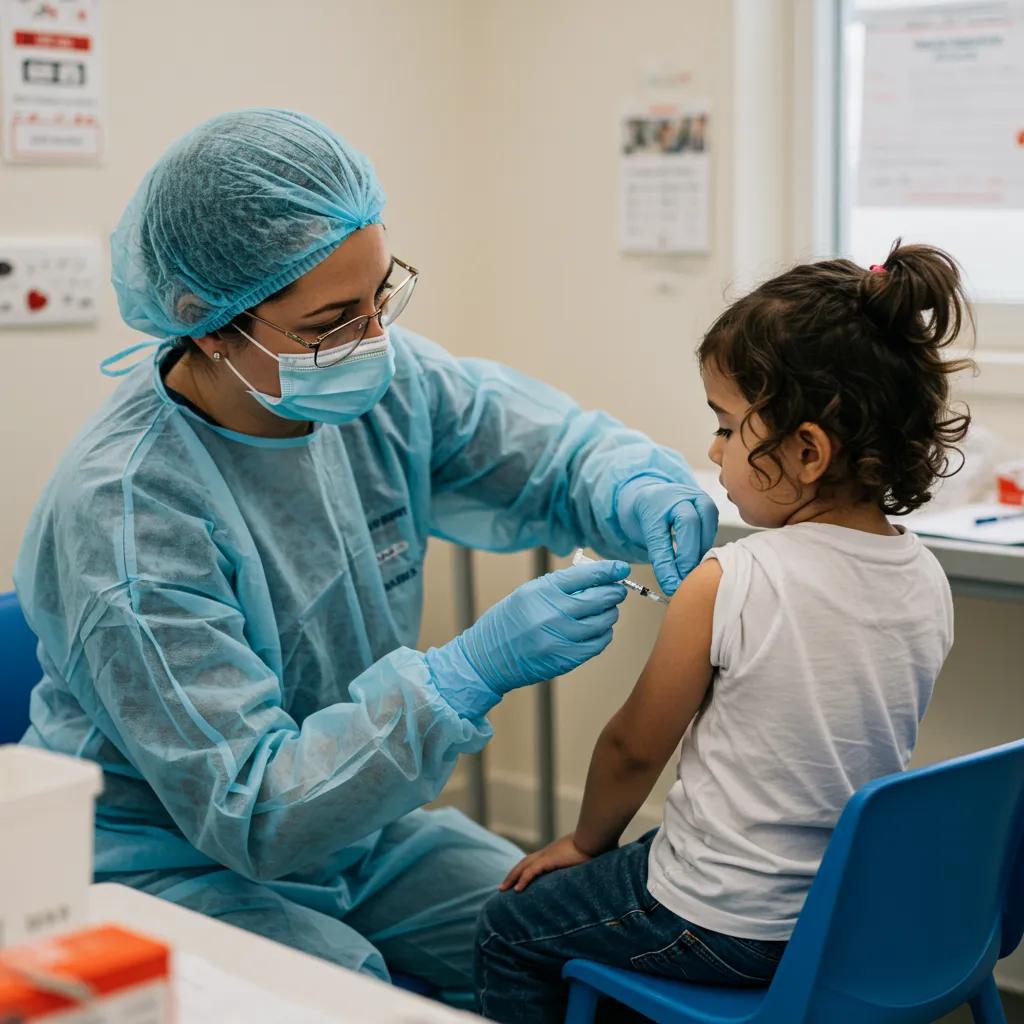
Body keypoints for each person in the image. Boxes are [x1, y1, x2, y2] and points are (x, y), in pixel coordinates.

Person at [13, 108, 717, 1008]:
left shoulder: (380, 385)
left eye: (383, 293)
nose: (373, 337)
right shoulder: (126, 518)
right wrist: (465, 674)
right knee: (353, 998)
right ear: (207, 323)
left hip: (363, 829)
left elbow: (550, 453)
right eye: (332, 320)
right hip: (171, 862)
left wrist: (632, 485)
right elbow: (254, 810)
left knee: (568, 945)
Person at [474, 242, 972, 1022]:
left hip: (722, 920)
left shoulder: (730, 580)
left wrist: (582, 844)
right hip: (841, 918)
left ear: (806, 451)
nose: (712, 452)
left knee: (508, 926)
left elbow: (632, 748)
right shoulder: (926, 579)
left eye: (727, 426)